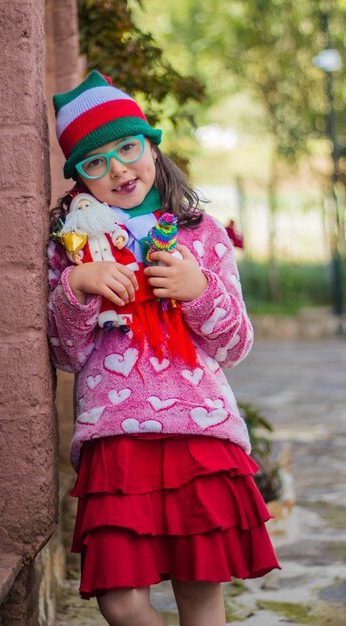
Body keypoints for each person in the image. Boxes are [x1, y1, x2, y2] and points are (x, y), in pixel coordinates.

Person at [47, 70, 280, 626]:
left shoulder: (200, 235)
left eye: (128, 147)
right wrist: (76, 286)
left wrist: (199, 292)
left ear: (151, 145)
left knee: (199, 591)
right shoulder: (77, 246)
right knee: (120, 600)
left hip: (199, 438)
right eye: (95, 162)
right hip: (116, 438)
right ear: (79, 176)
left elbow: (235, 344)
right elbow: (66, 353)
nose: (119, 169)